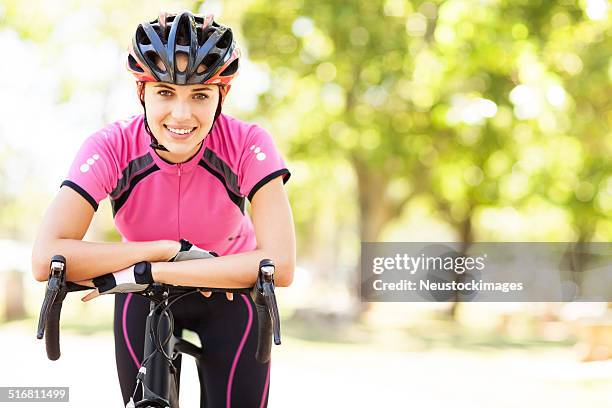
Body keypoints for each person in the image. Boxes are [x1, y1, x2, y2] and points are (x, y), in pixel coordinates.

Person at [31, 10, 295, 407]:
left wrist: (160, 268)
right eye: (165, 92)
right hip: (141, 289)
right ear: (142, 91)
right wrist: (160, 249)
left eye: (201, 95)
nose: (182, 114)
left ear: (223, 95)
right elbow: (46, 256)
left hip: (228, 290)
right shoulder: (111, 146)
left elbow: (280, 264)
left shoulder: (247, 142)